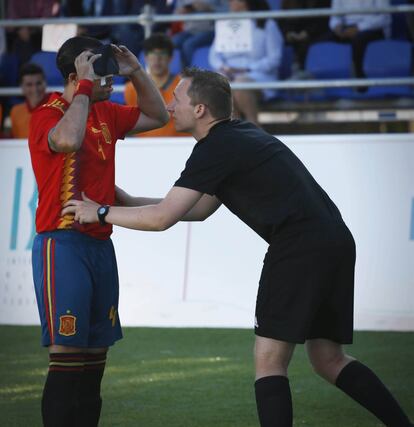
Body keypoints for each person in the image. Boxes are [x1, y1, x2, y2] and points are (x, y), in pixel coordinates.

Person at [62, 68, 413, 427]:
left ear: (200, 110)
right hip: (335, 241)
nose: (170, 106)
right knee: (329, 359)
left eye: (177, 99)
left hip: (299, 247)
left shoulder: (214, 147)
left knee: (269, 362)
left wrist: (101, 212)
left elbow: (162, 218)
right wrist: (129, 200)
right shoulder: (239, 135)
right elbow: (198, 210)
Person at [28, 35, 168, 427]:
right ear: (77, 76)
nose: (112, 82)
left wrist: (137, 71)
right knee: (67, 357)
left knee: (94, 362)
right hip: (64, 242)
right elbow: (68, 139)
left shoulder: (107, 112)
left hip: (101, 243)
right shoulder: (48, 112)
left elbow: (159, 116)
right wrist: (86, 88)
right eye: (102, 73)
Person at [209, 0, 283, 125]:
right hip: (229, 74)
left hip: (258, 75)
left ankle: (254, 126)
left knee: (240, 84)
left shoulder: (267, 24)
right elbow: (214, 56)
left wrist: (247, 69)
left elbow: (274, 58)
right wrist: (224, 67)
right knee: (224, 86)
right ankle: (235, 131)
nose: (230, 3)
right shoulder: (226, 25)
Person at [124, 33, 188, 137]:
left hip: (179, 147)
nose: (157, 60)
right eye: (152, 54)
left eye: (162, 54)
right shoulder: (132, 88)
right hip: (144, 148)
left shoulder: (185, 87)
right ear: (145, 57)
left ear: (170, 58)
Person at [327, 0, 391, 79]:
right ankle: (330, 81)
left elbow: (385, 18)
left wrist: (358, 28)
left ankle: (360, 79)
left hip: (372, 28)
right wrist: (337, 27)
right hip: (347, 28)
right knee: (325, 40)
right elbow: (335, 17)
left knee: (359, 39)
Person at [173, 0, 227, 67]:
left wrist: (210, 8)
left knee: (189, 44)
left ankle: (186, 74)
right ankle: (166, 74)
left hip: (211, 31)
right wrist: (182, 11)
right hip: (189, 31)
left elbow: (227, 10)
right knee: (173, 42)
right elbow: (175, 14)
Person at [10, 63, 50, 138]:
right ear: (22, 87)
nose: (35, 89)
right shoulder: (15, 111)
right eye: (29, 84)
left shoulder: (56, 108)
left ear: (45, 83)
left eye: (38, 83)